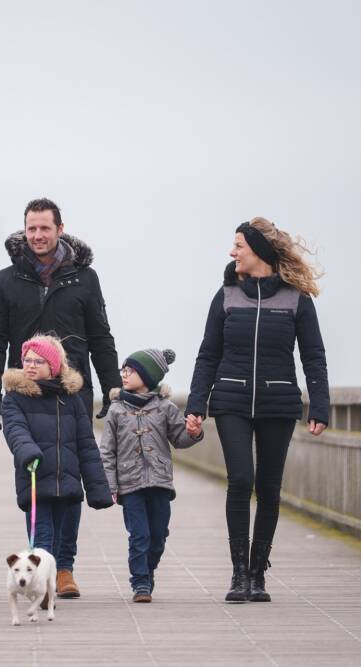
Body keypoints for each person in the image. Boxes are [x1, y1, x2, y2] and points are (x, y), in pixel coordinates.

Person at [0, 197, 120, 598]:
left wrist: (112, 388)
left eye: (45, 228)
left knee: (70, 483)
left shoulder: (85, 279)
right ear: (23, 232)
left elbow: (101, 338)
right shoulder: (4, 281)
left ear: (60, 229)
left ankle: (66, 569)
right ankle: (42, 562)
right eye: (31, 229)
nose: (38, 235)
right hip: (25, 394)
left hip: (72, 393)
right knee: (36, 483)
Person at [185, 217, 329, 603]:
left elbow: (313, 356)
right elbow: (208, 353)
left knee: (268, 489)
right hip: (231, 400)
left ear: (258, 252)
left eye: (239, 246)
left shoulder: (296, 299)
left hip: (279, 403)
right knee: (240, 481)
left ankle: (257, 572)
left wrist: (320, 405)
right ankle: (236, 574)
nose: (232, 253)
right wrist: (196, 403)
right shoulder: (227, 295)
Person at [0, 334, 113, 598]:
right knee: (42, 535)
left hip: (70, 481)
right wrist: (27, 452)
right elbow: (15, 430)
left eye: (38, 361)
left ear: (53, 365)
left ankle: (64, 573)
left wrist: (98, 487)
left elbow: (86, 444)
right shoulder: (15, 398)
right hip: (36, 477)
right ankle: (41, 583)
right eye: (27, 360)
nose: (30, 365)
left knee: (67, 534)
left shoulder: (71, 399)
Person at [100, 348, 203, 602]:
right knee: (139, 535)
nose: (124, 374)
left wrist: (194, 432)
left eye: (130, 370)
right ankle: (140, 583)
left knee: (158, 535)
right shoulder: (115, 410)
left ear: (147, 375)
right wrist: (110, 485)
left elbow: (179, 439)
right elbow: (107, 451)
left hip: (159, 481)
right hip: (130, 483)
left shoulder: (165, 407)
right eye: (123, 370)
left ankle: (148, 569)